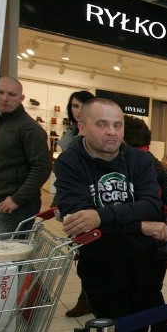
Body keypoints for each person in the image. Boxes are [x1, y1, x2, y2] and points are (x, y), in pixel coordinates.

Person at [54, 98, 167, 332]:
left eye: (117, 125)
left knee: (137, 326)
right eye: (102, 124)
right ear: (82, 126)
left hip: (142, 261)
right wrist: (139, 225)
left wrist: (102, 218)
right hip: (99, 262)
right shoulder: (69, 162)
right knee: (117, 329)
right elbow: (77, 214)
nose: (111, 132)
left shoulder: (138, 160)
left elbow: (151, 206)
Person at [123, 115, 167, 332]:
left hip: (156, 238)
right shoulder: (148, 161)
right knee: (148, 290)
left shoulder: (142, 164)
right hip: (162, 236)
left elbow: (150, 207)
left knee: (148, 291)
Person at [0, 76, 52, 235]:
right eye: (0, 92)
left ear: (21, 98)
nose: (4, 98)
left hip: (14, 207)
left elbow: (42, 167)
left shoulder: (30, 129)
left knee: (9, 257)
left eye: (12, 94)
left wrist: (17, 199)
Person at [59, 90, 97, 318]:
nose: (77, 110)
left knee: (89, 254)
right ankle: (87, 298)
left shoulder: (92, 141)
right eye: (74, 106)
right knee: (81, 252)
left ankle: (87, 298)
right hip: (73, 200)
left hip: (91, 204)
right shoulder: (71, 134)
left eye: (82, 105)